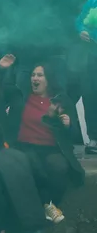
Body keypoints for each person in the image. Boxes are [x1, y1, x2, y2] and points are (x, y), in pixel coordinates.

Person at [6, 63, 80, 222]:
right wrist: (4, 69)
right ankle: (47, 206)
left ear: (48, 79)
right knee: (32, 164)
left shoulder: (60, 100)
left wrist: (68, 125)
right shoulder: (22, 97)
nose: (35, 78)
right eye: (33, 75)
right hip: (25, 146)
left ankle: (52, 204)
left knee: (59, 166)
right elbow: (3, 90)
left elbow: (74, 134)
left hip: (51, 147)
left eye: (40, 75)